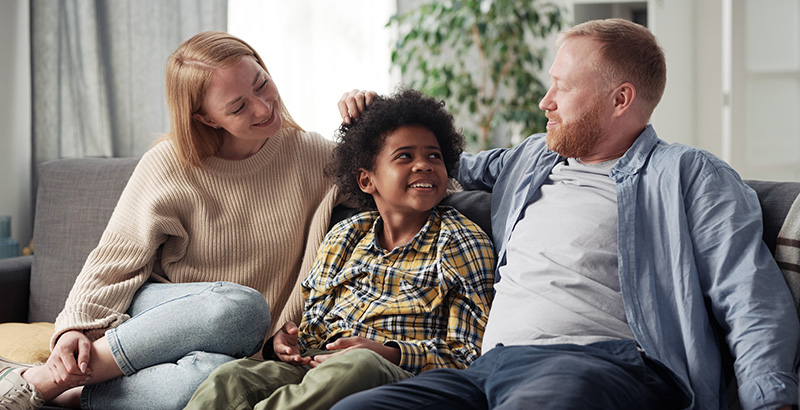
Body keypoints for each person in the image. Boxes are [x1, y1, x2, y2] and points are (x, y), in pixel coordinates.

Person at [333, 18, 800, 410]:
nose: (545, 102)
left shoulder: (688, 174)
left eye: (563, 87)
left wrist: (771, 400)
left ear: (620, 100)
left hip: (606, 365)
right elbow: (439, 166)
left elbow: (748, 295)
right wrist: (377, 122)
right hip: (488, 369)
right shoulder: (534, 158)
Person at [0, 31, 342, 410]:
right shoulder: (169, 163)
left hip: (242, 345)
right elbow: (115, 258)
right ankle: (43, 379)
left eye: (262, 84)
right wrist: (75, 328)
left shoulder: (317, 157)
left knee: (216, 377)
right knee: (241, 307)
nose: (263, 108)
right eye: (238, 106)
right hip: (165, 315)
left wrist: (370, 115)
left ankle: (77, 395)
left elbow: (392, 173)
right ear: (204, 117)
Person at [182, 88, 496, 410]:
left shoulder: (460, 241)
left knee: (358, 365)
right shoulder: (344, 236)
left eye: (434, 156)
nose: (424, 165)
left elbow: (468, 352)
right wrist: (285, 344)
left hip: (395, 372)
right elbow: (312, 329)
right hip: (318, 367)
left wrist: (385, 351)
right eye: (404, 156)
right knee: (231, 377)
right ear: (366, 181)